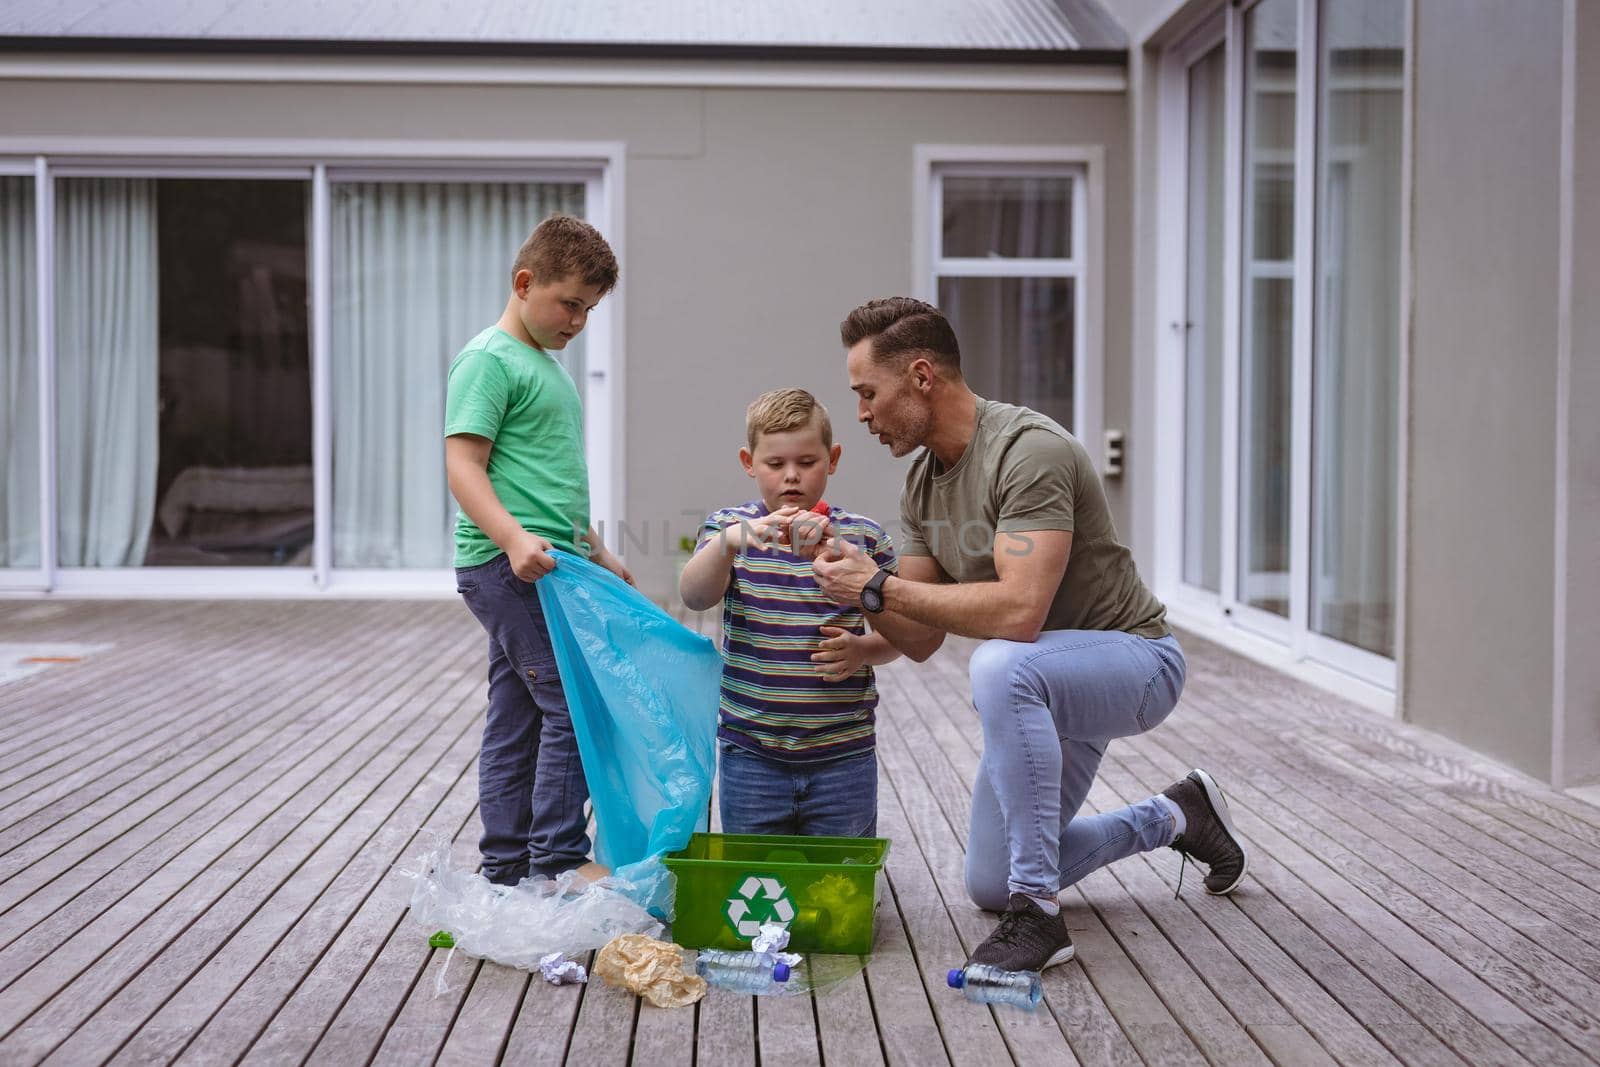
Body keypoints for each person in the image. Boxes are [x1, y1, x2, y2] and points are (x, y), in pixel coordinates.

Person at [811, 297, 1248, 974]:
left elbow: (1021, 613)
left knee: (999, 665)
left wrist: (879, 585)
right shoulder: (923, 485)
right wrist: (848, 575)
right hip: (1048, 679)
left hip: (1134, 659)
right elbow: (920, 637)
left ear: (922, 376)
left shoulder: (1028, 450)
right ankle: (1177, 815)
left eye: (868, 393)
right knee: (990, 879)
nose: (862, 413)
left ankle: (1039, 913)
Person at [444, 214, 633, 886]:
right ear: (526, 283)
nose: (578, 321)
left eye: (589, 310)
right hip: (505, 566)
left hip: (547, 566)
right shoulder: (489, 361)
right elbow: (464, 464)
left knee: (518, 713)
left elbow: (550, 484)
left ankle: (504, 865)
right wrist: (513, 538)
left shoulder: (544, 368)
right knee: (574, 701)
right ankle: (555, 857)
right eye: (570, 303)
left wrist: (598, 551)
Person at [679, 388, 899, 837]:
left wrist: (863, 650)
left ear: (833, 458)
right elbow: (695, 596)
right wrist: (728, 545)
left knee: (839, 880)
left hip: (843, 751)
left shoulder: (864, 537)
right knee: (754, 883)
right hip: (751, 751)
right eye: (775, 465)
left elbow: (903, 632)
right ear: (749, 462)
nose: (791, 477)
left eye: (808, 462)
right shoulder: (729, 529)